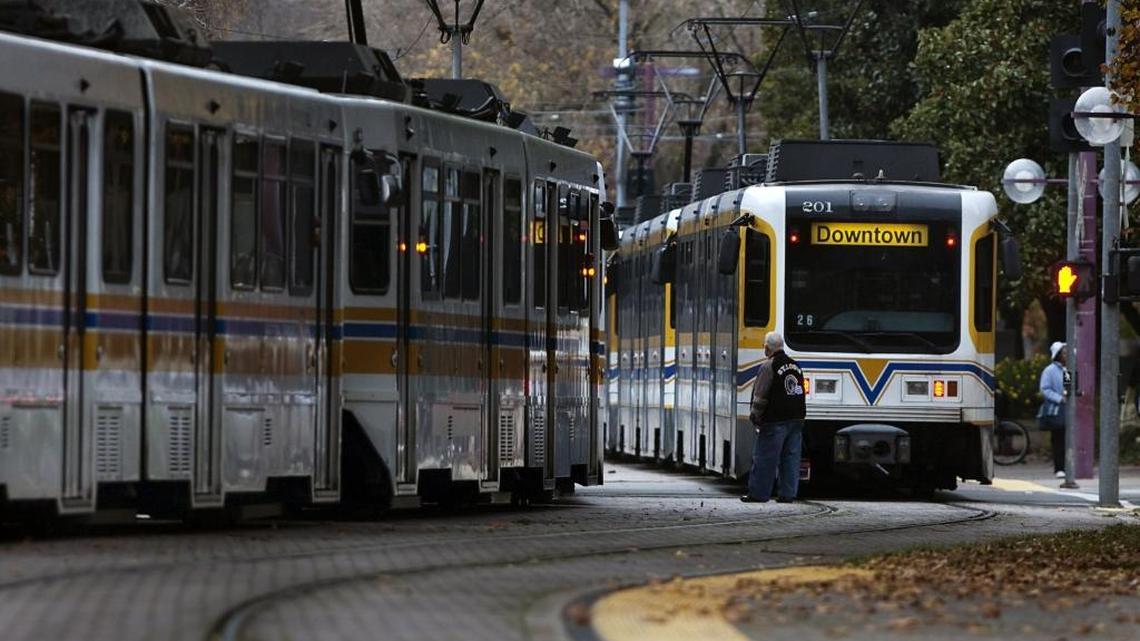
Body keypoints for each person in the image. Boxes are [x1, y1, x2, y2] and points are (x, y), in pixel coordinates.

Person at [742, 332, 806, 503]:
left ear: (767, 348)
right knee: (791, 458)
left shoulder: (769, 366)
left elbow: (760, 395)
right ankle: (787, 494)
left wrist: (755, 416)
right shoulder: (795, 366)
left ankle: (758, 494)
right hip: (796, 419)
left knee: (765, 457)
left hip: (775, 419)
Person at [1037, 341, 1068, 478]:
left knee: (1069, 440)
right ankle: (1059, 468)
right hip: (1057, 410)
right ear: (1058, 355)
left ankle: (1069, 467)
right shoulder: (1049, 370)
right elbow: (1044, 389)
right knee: (1058, 439)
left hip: (1070, 410)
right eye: (1064, 353)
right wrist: (1059, 398)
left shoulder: (1069, 369)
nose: (1067, 355)